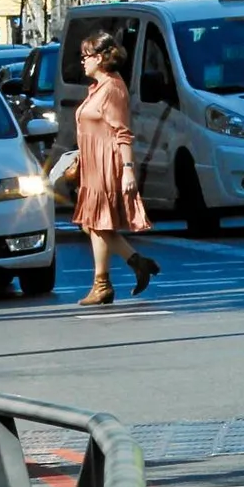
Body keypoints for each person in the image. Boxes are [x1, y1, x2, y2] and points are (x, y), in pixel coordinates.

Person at [72, 32, 157, 305]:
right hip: (92, 164)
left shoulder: (112, 89)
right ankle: (123, 271)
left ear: (99, 58)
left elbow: (123, 133)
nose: (82, 62)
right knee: (94, 224)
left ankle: (106, 282)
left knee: (96, 223)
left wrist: (128, 169)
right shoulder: (98, 87)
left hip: (107, 163)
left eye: (85, 56)